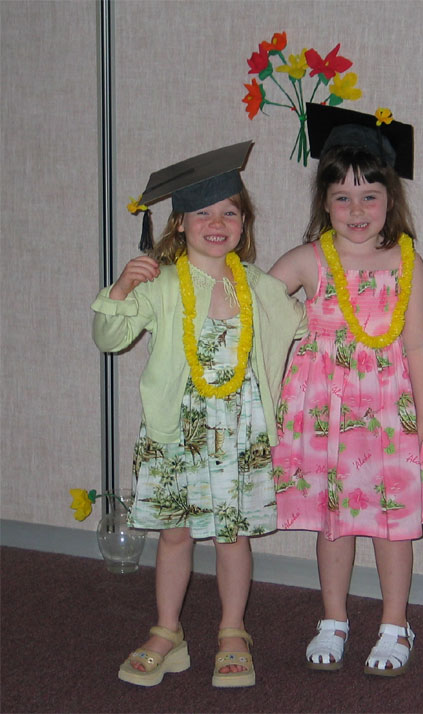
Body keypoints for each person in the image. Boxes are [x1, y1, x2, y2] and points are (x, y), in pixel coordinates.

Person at [91, 142, 306, 689]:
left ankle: (233, 631)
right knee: (175, 534)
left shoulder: (255, 285)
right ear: (180, 223)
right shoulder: (163, 283)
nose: (217, 223)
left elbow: (304, 324)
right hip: (176, 435)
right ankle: (168, 632)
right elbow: (109, 337)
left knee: (233, 537)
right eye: (202, 212)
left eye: (230, 212)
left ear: (244, 224)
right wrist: (122, 288)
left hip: (238, 432)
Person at [269, 104, 423, 677]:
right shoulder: (307, 260)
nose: (356, 210)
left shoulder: (408, 263)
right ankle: (334, 619)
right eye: (342, 197)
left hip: (389, 414)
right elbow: (258, 310)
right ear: (324, 202)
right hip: (324, 413)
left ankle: (395, 623)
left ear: (390, 200)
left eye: (369, 196)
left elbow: (418, 344)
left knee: (392, 523)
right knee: (333, 520)